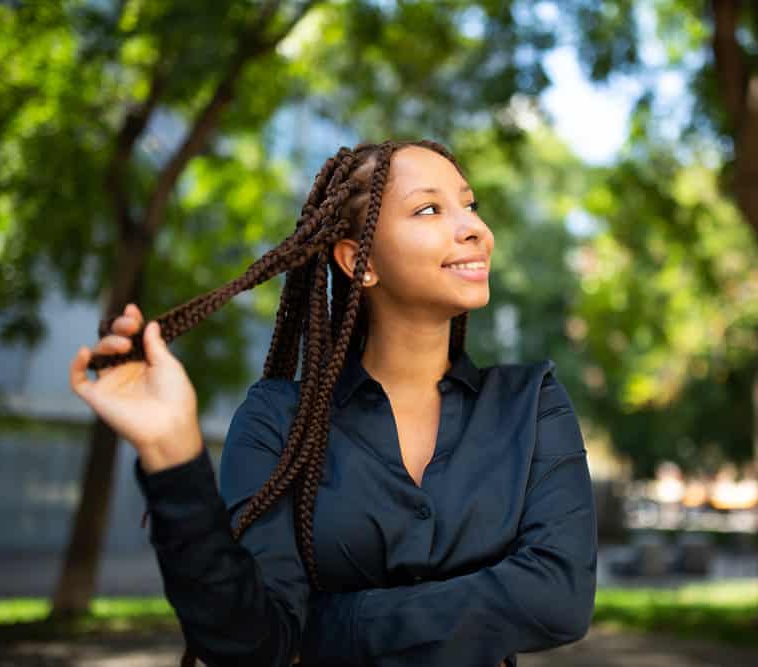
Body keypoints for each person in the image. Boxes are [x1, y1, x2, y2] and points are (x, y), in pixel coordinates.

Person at [69, 139, 597, 666]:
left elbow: (559, 599)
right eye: (429, 208)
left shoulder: (532, 403)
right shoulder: (280, 421)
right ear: (358, 261)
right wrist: (171, 450)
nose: (476, 229)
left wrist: (321, 628)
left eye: (470, 205)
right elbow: (249, 644)